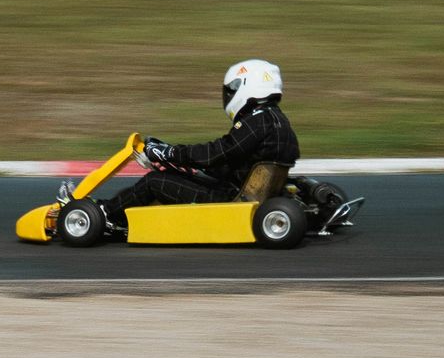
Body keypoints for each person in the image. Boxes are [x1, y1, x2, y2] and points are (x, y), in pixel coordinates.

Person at [91, 59, 300, 230]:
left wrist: (168, 152)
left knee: (154, 181)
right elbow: (231, 161)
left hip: (229, 199)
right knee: (175, 174)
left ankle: (103, 215)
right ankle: (120, 215)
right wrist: (178, 162)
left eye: (230, 90)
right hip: (243, 191)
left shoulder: (257, 121)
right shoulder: (278, 120)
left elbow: (215, 153)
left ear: (245, 86)